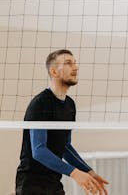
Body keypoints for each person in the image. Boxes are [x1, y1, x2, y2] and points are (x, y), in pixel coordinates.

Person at [15, 49, 109, 195]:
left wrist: (89, 171)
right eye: (68, 63)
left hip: (54, 184)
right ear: (54, 72)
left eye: (75, 63)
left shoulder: (70, 105)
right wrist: (75, 173)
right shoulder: (40, 103)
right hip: (32, 186)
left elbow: (65, 146)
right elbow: (39, 151)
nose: (75, 68)